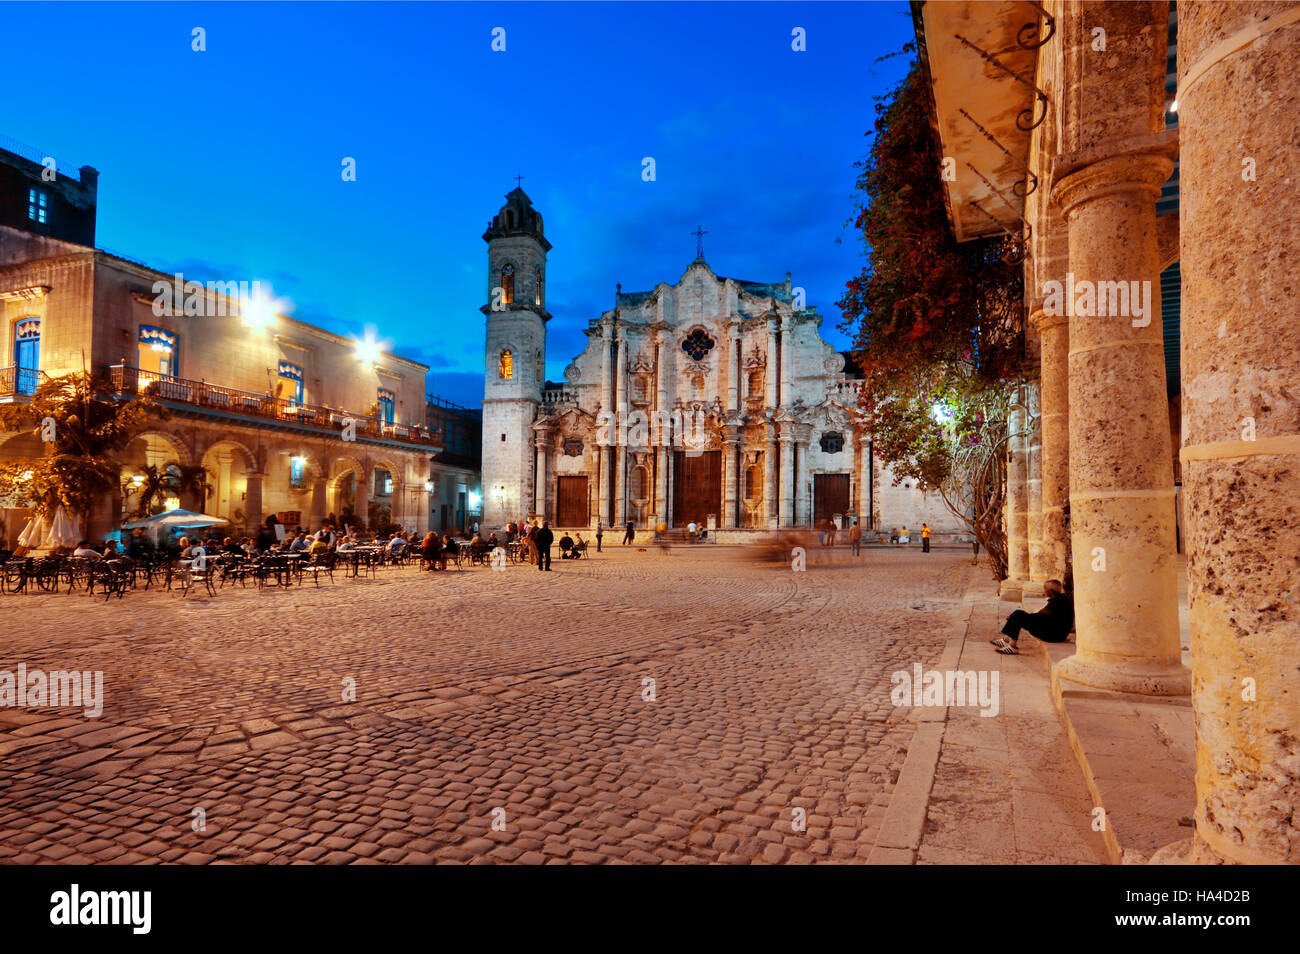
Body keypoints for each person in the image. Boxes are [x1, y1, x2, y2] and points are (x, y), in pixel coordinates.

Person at [992, 580, 1074, 655]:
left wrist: (1019, 617)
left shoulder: (1057, 602)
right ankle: (1006, 639)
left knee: (1018, 615)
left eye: (1045, 589)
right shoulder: (1060, 599)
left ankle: (1012, 646)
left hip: (1054, 635)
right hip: (1056, 633)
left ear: (1051, 591)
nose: (1044, 591)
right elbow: (1043, 615)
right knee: (1018, 614)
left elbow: (1041, 616)